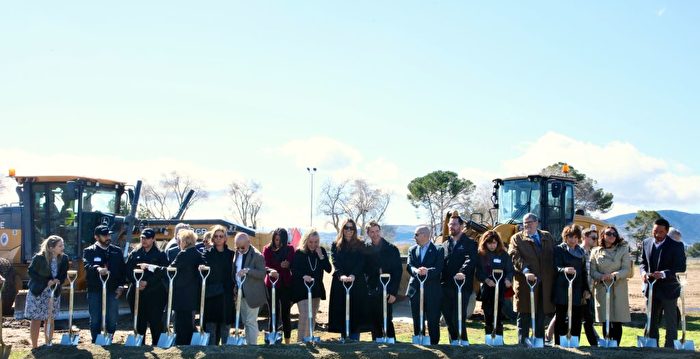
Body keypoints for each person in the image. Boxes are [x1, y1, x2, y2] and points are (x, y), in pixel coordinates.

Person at [508, 213, 555, 345]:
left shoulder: (547, 236)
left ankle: (539, 342)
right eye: (524, 223)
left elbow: (554, 254)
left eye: (529, 222)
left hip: (544, 283)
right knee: (525, 313)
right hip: (525, 283)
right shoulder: (517, 238)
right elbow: (514, 256)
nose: (526, 225)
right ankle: (523, 343)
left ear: (536, 222)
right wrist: (526, 271)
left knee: (541, 313)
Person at [639, 218, 687, 348]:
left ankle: (670, 348)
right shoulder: (646, 243)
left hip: (669, 289)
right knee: (651, 319)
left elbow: (680, 267)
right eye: (655, 231)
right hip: (651, 288)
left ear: (666, 231)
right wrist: (643, 273)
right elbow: (643, 262)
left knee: (670, 321)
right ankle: (652, 346)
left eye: (661, 232)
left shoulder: (676, 246)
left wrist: (664, 274)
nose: (657, 234)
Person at [441, 212, 485, 344]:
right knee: (448, 316)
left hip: (462, 286)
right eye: (450, 225)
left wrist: (462, 272)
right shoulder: (444, 245)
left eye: (454, 224)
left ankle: (464, 342)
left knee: (458, 316)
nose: (451, 227)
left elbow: (471, 259)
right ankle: (454, 342)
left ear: (461, 226)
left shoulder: (470, 243)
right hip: (445, 286)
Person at [83, 225, 126, 343]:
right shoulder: (89, 251)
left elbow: (122, 270)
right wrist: (98, 269)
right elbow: (87, 265)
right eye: (104, 235)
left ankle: (109, 339)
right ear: (96, 237)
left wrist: (121, 286)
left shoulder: (116, 251)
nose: (108, 237)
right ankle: (96, 341)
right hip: (95, 289)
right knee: (95, 318)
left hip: (113, 289)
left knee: (112, 318)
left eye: (109, 234)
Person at [125, 228, 168, 345]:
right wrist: (137, 282)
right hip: (137, 292)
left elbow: (163, 273)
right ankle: (140, 346)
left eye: (147, 238)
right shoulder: (134, 253)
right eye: (142, 238)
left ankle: (158, 345)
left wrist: (148, 282)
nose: (144, 240)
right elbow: (128, 271)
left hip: (155, 293)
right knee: (139, 321)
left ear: (153, 239)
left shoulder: (160, 255)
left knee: (156, 322)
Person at [328, 218, 369, 340]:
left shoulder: (360, 244)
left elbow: (362, 262)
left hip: (356, 282)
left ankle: (355, 339)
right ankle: (344, 339)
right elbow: (335, 260)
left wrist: (353, 275)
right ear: (342, 229)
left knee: (355, 312)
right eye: (346, 227)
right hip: (340, 282)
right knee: (342, 311)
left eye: (352, 228)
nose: (349, 230)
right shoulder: (335, 244)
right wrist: (340, 275)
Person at [590, 225, 631, 345]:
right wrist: (601, 276)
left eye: (614, 234)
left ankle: (616, 345)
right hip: (603, 287)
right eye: (608, 234)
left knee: (617, 318)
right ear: (602, 235)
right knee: (605, 318)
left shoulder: (623, 249)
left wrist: (614, 275)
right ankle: (607, 343)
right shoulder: (595, 251)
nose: (612, 236)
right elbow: (592, 271)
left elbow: (626, 269)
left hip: (618, 287)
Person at [26, 235, 69, 348]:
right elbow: (31, 273)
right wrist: (47, 282)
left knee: (50, 319)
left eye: (62, 245)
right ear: (51, 247)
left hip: (53, 292)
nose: (62, 247)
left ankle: (48, 344)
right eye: (60, 245)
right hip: (38, 292)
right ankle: (34, 346)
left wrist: (58, 281)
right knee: (36, 319)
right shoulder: (39, 258)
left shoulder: (64, 258)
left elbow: (63, 274)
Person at [290, 229, 331, 342]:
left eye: (316, 242)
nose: (313, 245)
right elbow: (294, 269)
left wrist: (321, 256)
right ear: (306, 241)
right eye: (311, 242)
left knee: (312, 316)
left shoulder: (321, 251)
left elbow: (328, 269)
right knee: (304, 314)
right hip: (302, 289)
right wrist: (303, 276)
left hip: (316, 289)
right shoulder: (299, 252)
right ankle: (300, 342)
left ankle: (308, 339)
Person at [364, 220, 402, 342]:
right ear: (368, 233)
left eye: (377, 231)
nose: (375, 234)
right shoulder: (366, 250)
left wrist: (393, 293)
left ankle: (392, 344)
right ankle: (377, 346)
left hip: (387, 291)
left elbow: (398, 272)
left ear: (380, 231)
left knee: (386, 319)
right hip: (372, 291)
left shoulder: (391, 249)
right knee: (374, 321)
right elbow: (364, 271)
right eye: (372, 232)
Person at [552, 225, 590, 346]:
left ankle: (574, 341)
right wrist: (564, 269)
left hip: (577, 288)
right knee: (561, 317)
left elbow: (584, 272)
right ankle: (559, 342)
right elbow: (555, 267)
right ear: (565, 237)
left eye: (575, 237)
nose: (572, 240)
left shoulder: (581, 252)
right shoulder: (559, 250)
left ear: (578, 238)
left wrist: (586, 289)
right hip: (562, 288)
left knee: (576, 317)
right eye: (569, 237)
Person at [406, 225, 444, 345]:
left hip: (432, 291)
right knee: (417, 319)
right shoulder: (412, 249)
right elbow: (409, 265)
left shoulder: (439, 250)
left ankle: (434, 344)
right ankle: (419, 341)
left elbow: (439, 267)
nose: (414, 237)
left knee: (433, 319)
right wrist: (416, 271)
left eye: (416, 234)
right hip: (415, 289)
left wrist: (427, 271)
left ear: (425, 235)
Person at [169, 229, 204, 345]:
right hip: (192, 295)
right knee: (190, 323)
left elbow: (171, 269)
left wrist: (152, 268)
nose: (178, 243)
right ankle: (190, 344)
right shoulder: (198, 254)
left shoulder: (183, 254)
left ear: (184, 241)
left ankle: (182, 344)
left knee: (180, 325)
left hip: (181, 295)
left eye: (179, 240)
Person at [201, 225, 234, 345]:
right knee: (211, 328)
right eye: (216, 236)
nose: (219, 238)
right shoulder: (207, 254)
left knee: (225, 327)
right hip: (212, 295)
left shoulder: (231, 255)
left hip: (226, 295)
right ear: (213, 238)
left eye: (221, 236)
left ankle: (226, 353)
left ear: (225, 238)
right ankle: (211, 353)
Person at [477, 230, 513, 339]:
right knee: (488, 313)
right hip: (488, 289)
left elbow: (510, 270)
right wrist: (486, 280)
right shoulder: (481, 255)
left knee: (499, 313)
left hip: (500, 288)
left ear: (498, 243)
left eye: (494, 243)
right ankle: (488, 336)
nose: (492, 245)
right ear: (485, 243)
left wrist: (508, 279)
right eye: (489, 243)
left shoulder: (504, 255)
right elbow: (478, 272)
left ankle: (499, 337)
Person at [233, 232, 267, 345]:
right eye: (237, 247)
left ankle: (252, 348)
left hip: (253, 294)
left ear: (249, 242)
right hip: (240, 293)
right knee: (245, 322)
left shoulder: (257, 256)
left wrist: (248, 271)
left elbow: (262, 274)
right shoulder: (237, 253)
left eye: (242, 247)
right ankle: (249, 345)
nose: (240, 250)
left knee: (250, 321)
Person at [263, 228, 295, 344]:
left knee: (286, 313)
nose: (278, 242)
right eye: (276, 240)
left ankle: (287, 341)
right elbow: (265, 265)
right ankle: (272, 339)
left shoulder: (290, 249)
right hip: (271, 284)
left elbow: (292, 263)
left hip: (286, 284)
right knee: (273, 313)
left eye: (281, 240)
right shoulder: (267, 249)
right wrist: (273, 269)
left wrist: (288, 264)